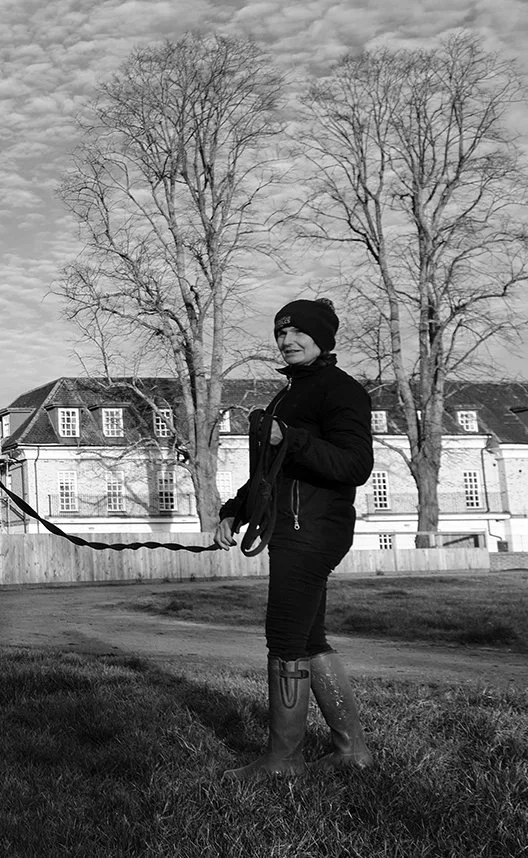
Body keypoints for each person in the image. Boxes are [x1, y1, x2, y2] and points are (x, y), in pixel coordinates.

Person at [213, 297, 376, 780]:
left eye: (298, 332)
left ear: (323, 337)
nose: (287, 341)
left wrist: (294, 440)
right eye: (281, 333)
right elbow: (270, 472)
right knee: (307, 637)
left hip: (315, 529)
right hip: (289, 527)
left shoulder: (342, 392)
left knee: (285, 637)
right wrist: (234, 512)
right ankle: (353, 752)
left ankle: (284, 761)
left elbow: (355, 465)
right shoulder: (289, 394)